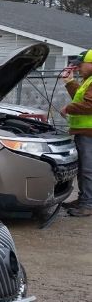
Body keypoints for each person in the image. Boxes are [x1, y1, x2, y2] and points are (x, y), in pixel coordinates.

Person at [60, 49, 92, 217]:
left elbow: (89, 105)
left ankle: (88, 204)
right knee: (84, 169)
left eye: (81, 65)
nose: (78, 68)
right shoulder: (88, 81)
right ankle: (84, 199)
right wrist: (69, 82)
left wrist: (68, 108)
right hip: (84, 132)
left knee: (88, 170)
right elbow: (81, 99)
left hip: (90, 133)